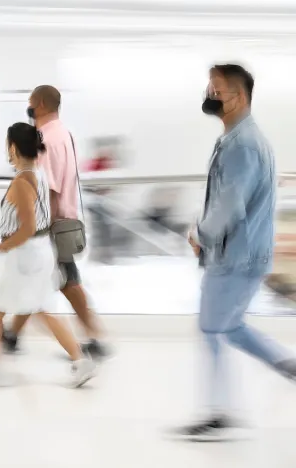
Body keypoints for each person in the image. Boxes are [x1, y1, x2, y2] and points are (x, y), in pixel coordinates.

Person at [173, 64, 296, 441]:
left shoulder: (243, 144)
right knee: (231, 327)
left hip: (235, 257)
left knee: (212, 330)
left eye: (217, 90)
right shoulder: (239, 139)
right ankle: (288, 364)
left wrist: (200, 233)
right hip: (243, 255)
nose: (210, 95)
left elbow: (229, 205)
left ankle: (218, 415)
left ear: (238, 97)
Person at [0, 123, 96, 387]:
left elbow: (28, 226)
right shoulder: (39, 173)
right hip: (40, 252)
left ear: (13, 147)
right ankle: (81, 361)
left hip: (21, 254)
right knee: (44, 310)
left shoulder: (22, 181)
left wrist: (5, 246)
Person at [1, 85, 110, 362]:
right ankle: (12, 334)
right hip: (64, 217)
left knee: (66, 282)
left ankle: (94, 339)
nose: (28, 108)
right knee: (43, 281)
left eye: (29, 103)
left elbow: (46, 187)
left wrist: (34, 226)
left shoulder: (47, 139)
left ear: (39, 104)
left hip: (52, 222)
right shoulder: (64, 134)